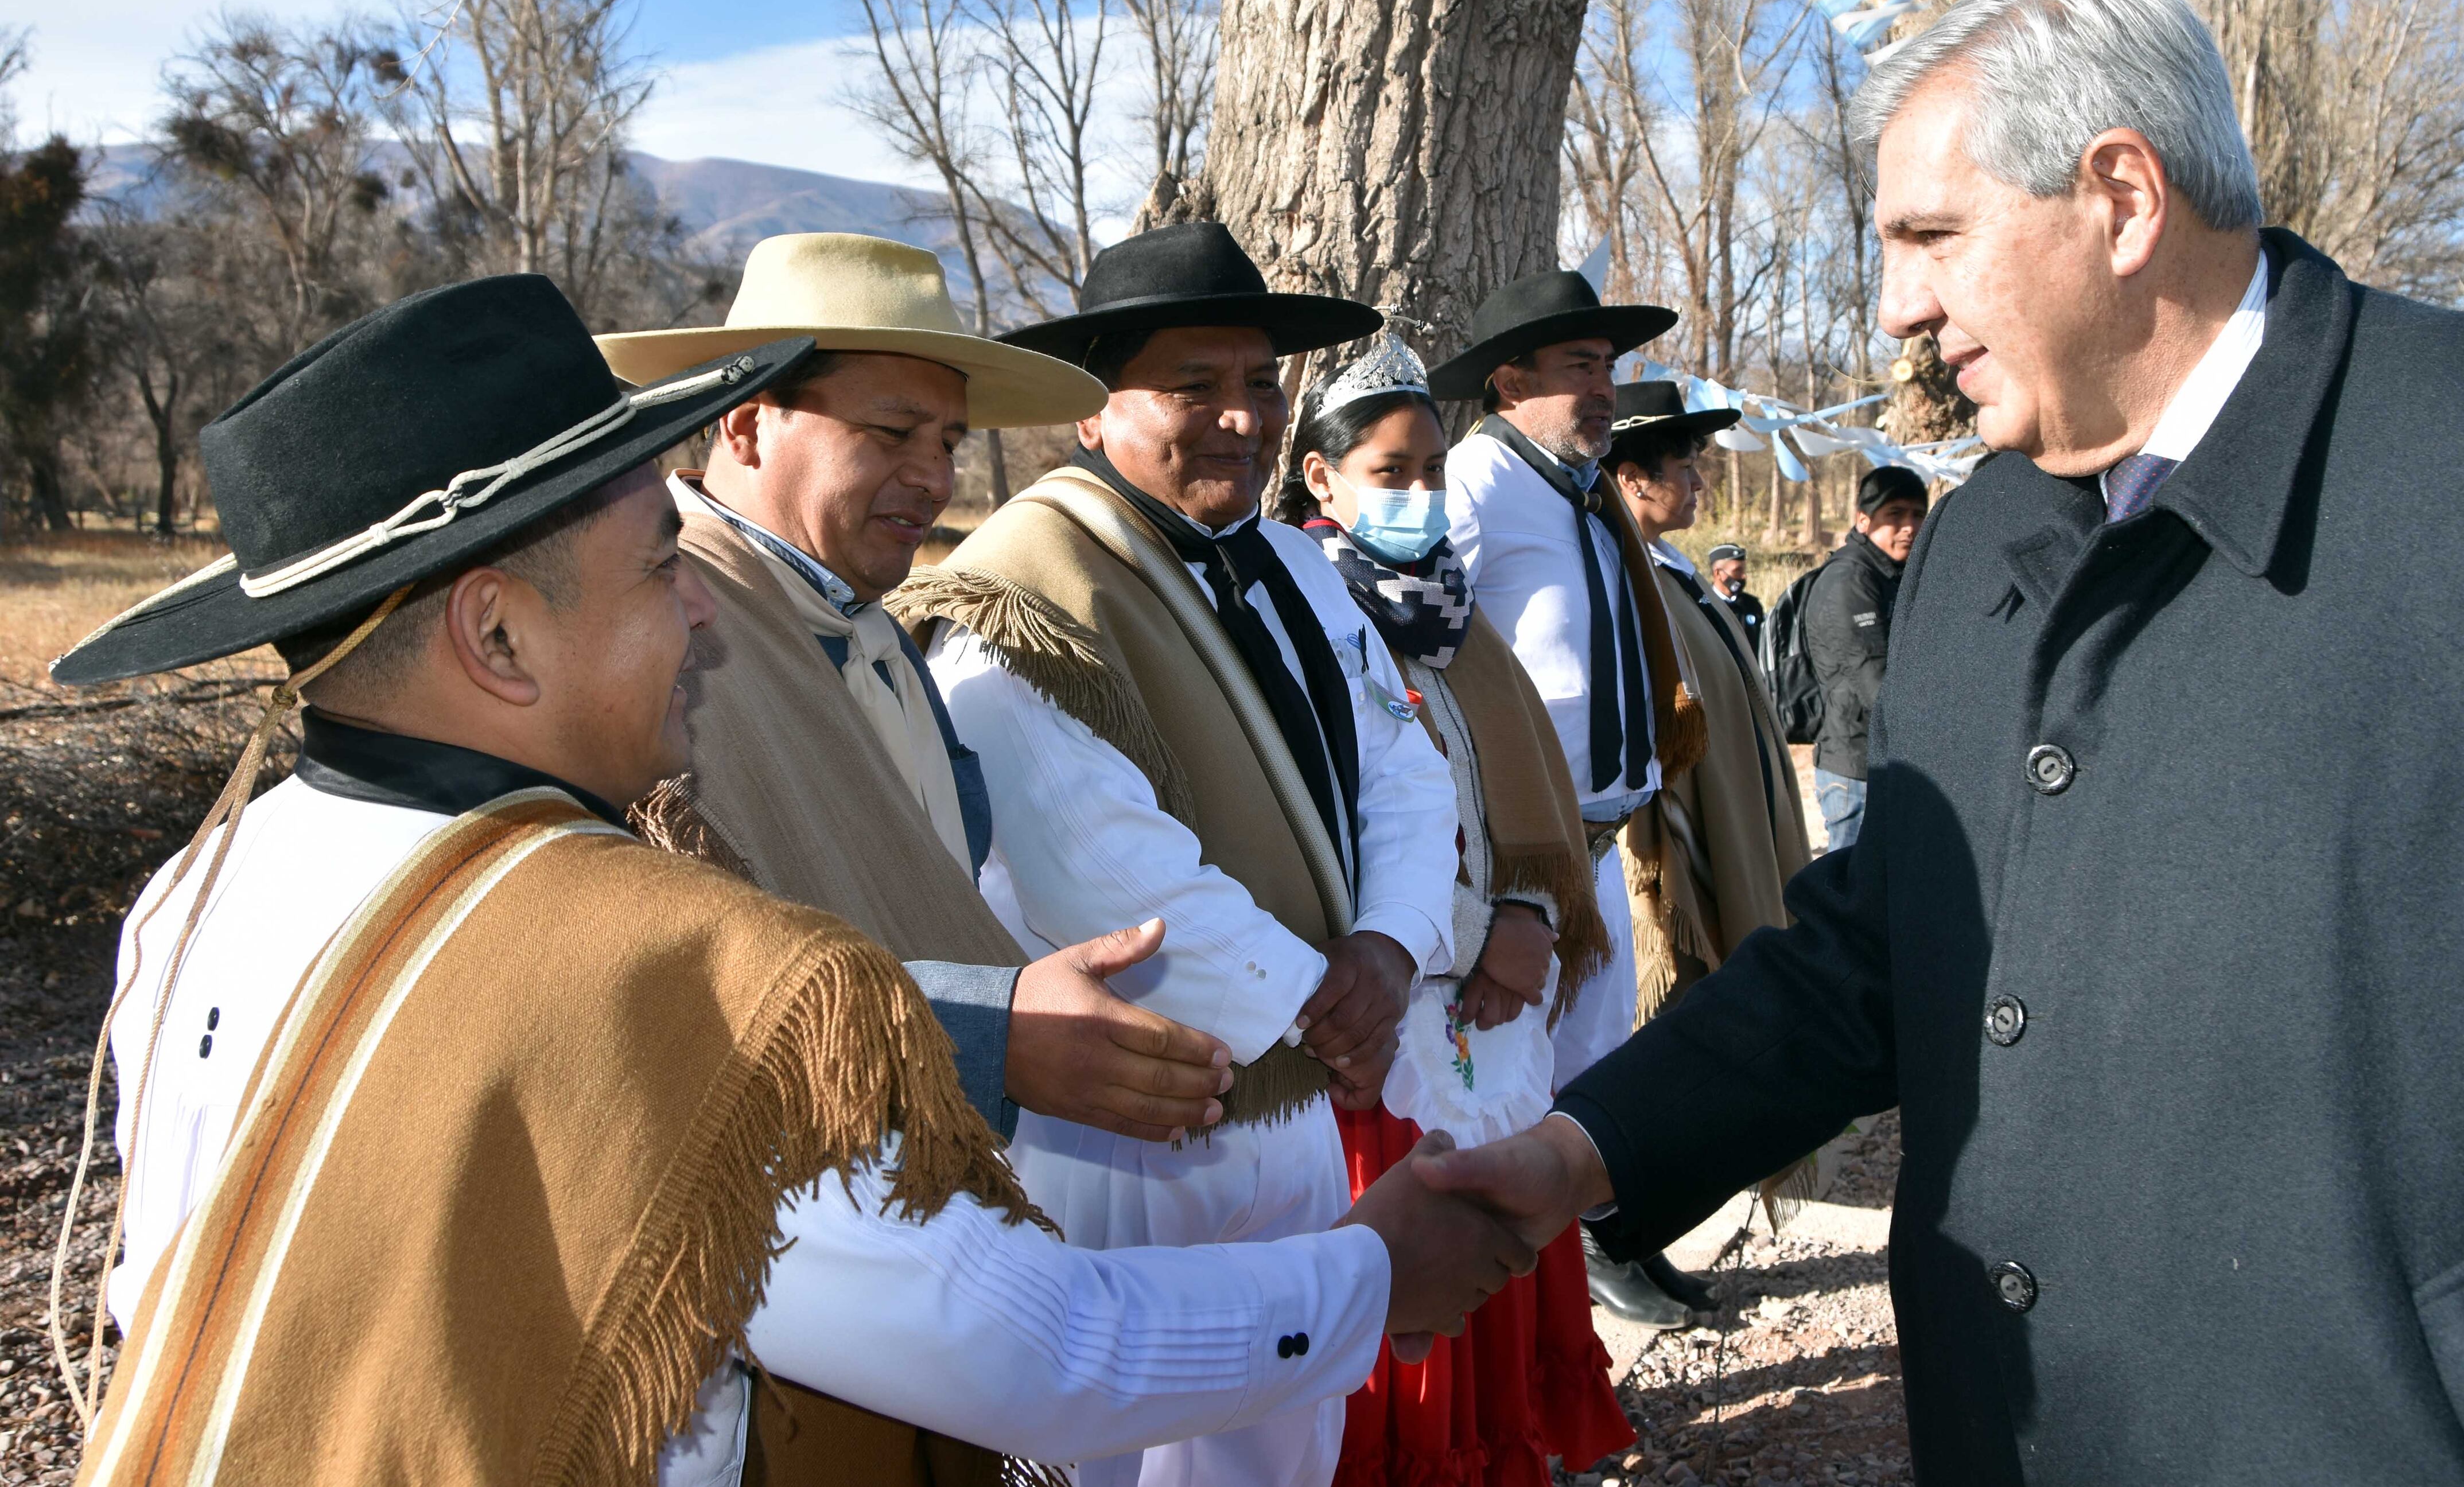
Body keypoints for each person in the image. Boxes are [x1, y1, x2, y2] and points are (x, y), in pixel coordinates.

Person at [1423, 0, 2464, 1484]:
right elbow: (1883, 940)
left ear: (2119, 197)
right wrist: (1581, 1156)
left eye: (1931, 237)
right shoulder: (1982, 538)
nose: (1899, 303)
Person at [55, 278, 1530, 1485]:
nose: (702, 606)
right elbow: (1022, 1347)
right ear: (496, 639)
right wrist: (1360, 1285)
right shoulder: (640, 964)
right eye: (654, 568)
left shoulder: (193, 892)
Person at [905, 221, 1465, 1487]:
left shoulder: (1291, 568)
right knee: (1120, 1443)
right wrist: (1336, 1006)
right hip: (1133, 1121)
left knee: (1279, 1432)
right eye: (1192, 388)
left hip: (1295, 1096)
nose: (1240, 418)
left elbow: (1401, 769)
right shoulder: (1021, 591)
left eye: (1260, 383)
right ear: (1098, 407)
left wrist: (1388, 946)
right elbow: (1100, 868)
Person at [598, 234, 1242, 1162]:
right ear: (744, 424)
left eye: (948, 442)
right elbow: (678, 979)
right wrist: (984, 1033)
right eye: (893, 433)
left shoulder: (872, 628)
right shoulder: (662, 627)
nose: (934, 477)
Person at [1280, 334, 1639, 1486]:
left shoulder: (1459, 619)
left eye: (1433, 468)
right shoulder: (1294, 617)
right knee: (1403, 1286)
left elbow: (1520, 783)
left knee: (1497, 1262)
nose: (1419, 494)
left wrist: (1529, 910)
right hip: (1377, 1024)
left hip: (1490, 1012)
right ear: (1322, 483)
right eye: (1388, 473)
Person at [1427, 267, 1704, 1325]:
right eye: (1578, 367)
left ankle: (1602, 1253)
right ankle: (1523, 1312)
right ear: (1509, 379)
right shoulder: (1478, 481)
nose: (1604, 388)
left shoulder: (1582, 489)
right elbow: (1430, 659)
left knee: (1596, 1069)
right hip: (1520, 857)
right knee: (1509, 1085)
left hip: (1596, 840)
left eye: (1608, 366)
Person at [1601, 381, 1812, 1019]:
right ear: (1633, 478)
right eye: (1687, 469)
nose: (1699, 485)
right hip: (1678, 829)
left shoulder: (1672, 566)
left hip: (1738, 804)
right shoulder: (1618, 573)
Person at [1801, 466, 1928, 852]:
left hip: (1885, 762)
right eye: (1895, 514)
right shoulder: (1851, 580)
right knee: (1853, 895)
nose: (1908, 527)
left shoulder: (1892, 573)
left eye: (1918, 514)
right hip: (1857, 767)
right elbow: (1877, 682)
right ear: (1863, 519)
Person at [1702, 542, 1764, 649]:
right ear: (1718, 573)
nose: (1743, 576)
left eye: (1744, 570)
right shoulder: (1703, 607)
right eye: (1737, 571)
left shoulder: (1752, 605)